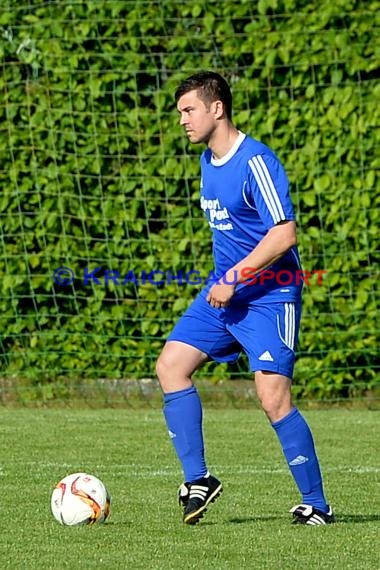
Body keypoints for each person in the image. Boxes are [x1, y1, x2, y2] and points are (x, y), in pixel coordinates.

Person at [156, 71, 334, 526]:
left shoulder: (256, 161)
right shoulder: (206, 163)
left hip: (271, 295)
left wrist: (234, 277)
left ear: (217, 108)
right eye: (180, 111)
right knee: (171, 366)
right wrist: (228, 281)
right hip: (225, 294)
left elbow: (284, 233)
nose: (182, 119)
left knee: (273, 398)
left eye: (189, 109)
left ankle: (316, 505)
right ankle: (199, 479)